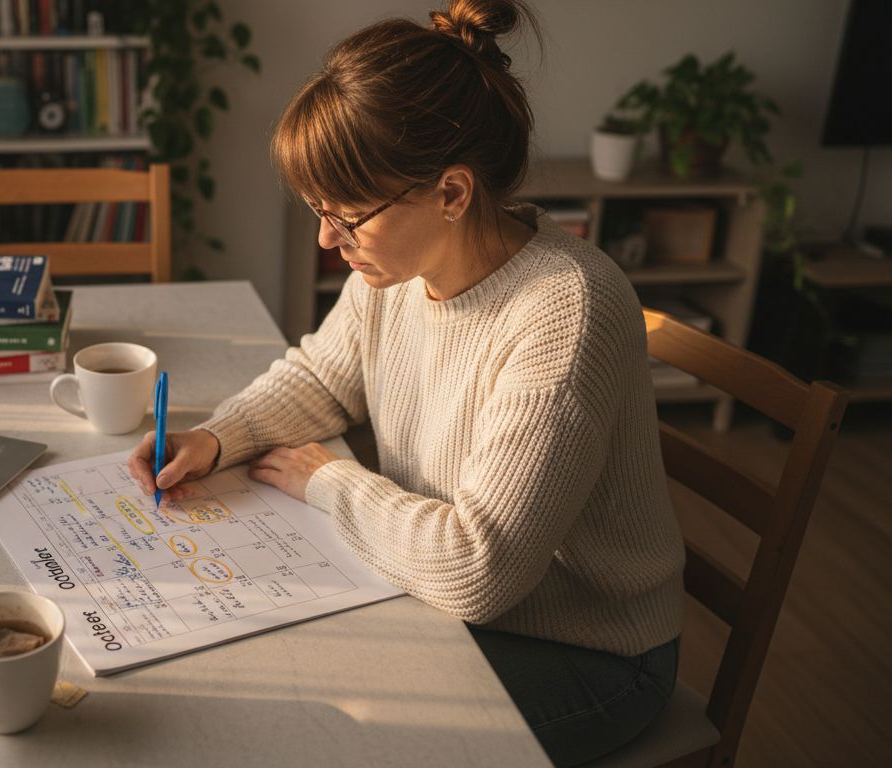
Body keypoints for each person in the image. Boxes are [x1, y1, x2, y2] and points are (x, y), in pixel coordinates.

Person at [128, 1, 684, 765]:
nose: (328, 238)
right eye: (317, 210)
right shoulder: (398, 265)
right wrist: (218, 436)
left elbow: (478, 571)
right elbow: (325, 375)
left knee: (311, 736)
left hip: (586, 649)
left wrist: (330, 482)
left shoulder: (563, 312)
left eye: (347, 214)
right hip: (442, 602)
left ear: (451, 193)